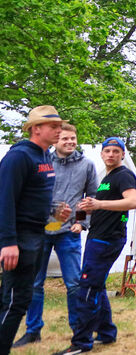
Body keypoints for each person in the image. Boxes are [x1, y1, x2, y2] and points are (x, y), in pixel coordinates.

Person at [13, 124, 99, 348]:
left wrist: (81, 223)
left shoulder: (87, 165)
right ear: (56, 141)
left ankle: (78, 331)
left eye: (73, 138)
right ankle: (33, 331)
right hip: (39, 231)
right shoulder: (43, 162)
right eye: (65, 139)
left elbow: (89, 197)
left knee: (73, 284)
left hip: (68, 233)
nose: (70, 142)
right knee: (35, 283)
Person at [52, 137, 136, 355]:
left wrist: (99, 204)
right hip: (97, 237)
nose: (110, 154)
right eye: (107, 151)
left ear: (122, 155)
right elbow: (101, 205)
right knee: (96, 286)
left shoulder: (124, 175)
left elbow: (132, 201)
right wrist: (85, 212)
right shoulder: (107, 177)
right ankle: (107, 333)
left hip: (107, 240)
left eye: (115, 151)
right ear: (101, 154)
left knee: (87, 289)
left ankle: (81, 343)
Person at [1, 106, 68, 355]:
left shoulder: (44, 156)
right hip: (19, 238)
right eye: (54, 126)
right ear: (35, 128)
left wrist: (54, 212)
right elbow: (4, 200)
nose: (59, 130)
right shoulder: (19, 157)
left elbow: (32, 198)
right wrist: (8, 243)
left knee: (15, 299)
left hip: (37, 235)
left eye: (60, 126)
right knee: (15, 301)